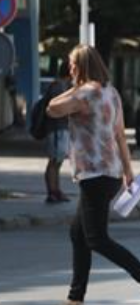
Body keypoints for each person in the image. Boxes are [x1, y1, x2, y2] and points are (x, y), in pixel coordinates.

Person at [44, 44, 140, 305]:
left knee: (97, 239)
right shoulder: (111, 93)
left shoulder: (84, 95)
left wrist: (71, 88)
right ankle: (75, 300)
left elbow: (52, 109)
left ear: (83, 66)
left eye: (73, 64)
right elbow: (121, 134)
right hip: (110, 173)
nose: (70, 68)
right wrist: (128, 171)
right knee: (78, 234)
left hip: (94, 175)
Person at [42, 62, 73, 204]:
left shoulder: (63, 86)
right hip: (56, 128)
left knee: (58, 161)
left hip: (61, 128)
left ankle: (56, 190)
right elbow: (57, 108)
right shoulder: (57, 87)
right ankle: (52, 191)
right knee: (54, 161)